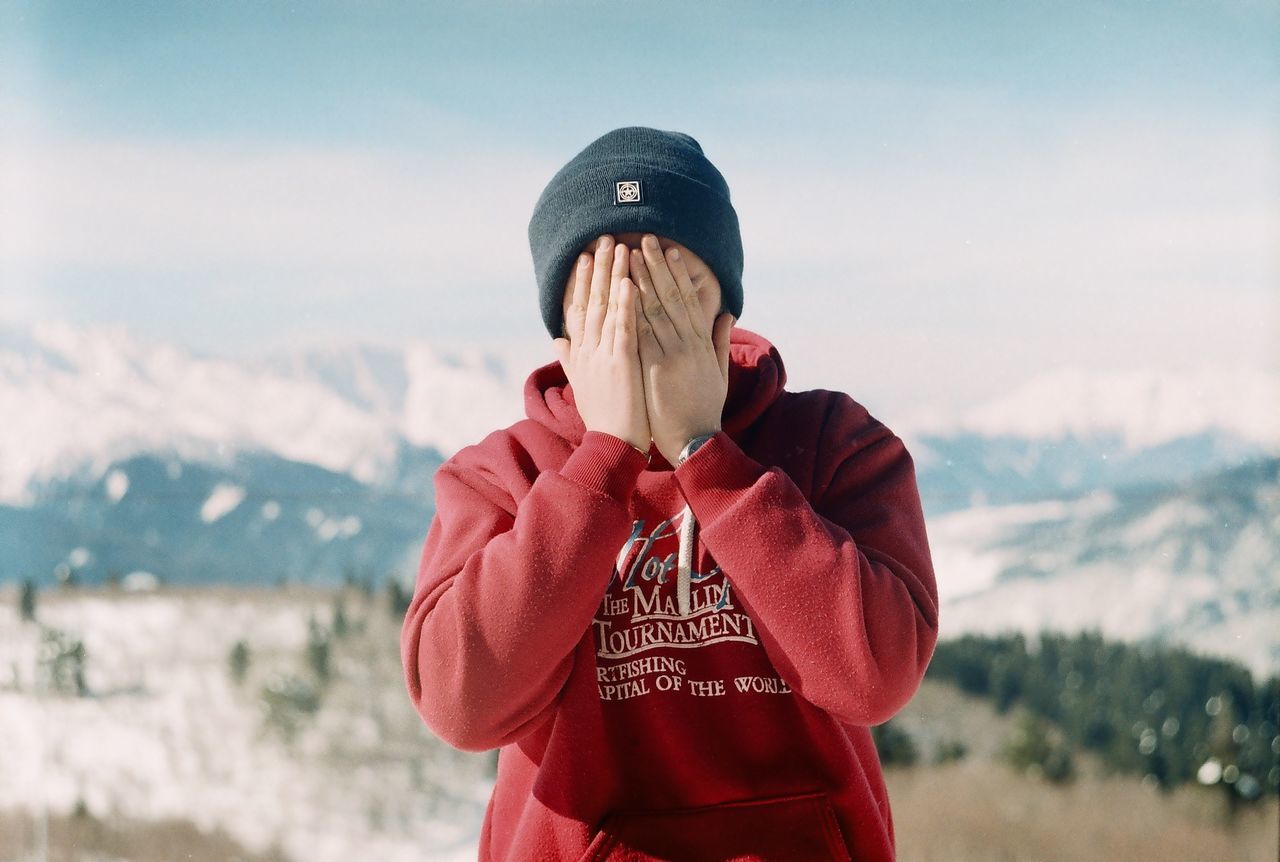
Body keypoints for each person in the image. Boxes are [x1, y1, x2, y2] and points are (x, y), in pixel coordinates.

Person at [401, 126, 939, 861]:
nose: (645, 323)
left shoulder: (834, 443)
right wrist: (603, 461)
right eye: (609, 301)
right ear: (563, 337)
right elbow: (463, 703)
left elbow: (876, 676)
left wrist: (707, 456)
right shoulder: (503, 475)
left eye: (673, 292)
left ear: (726, 317)